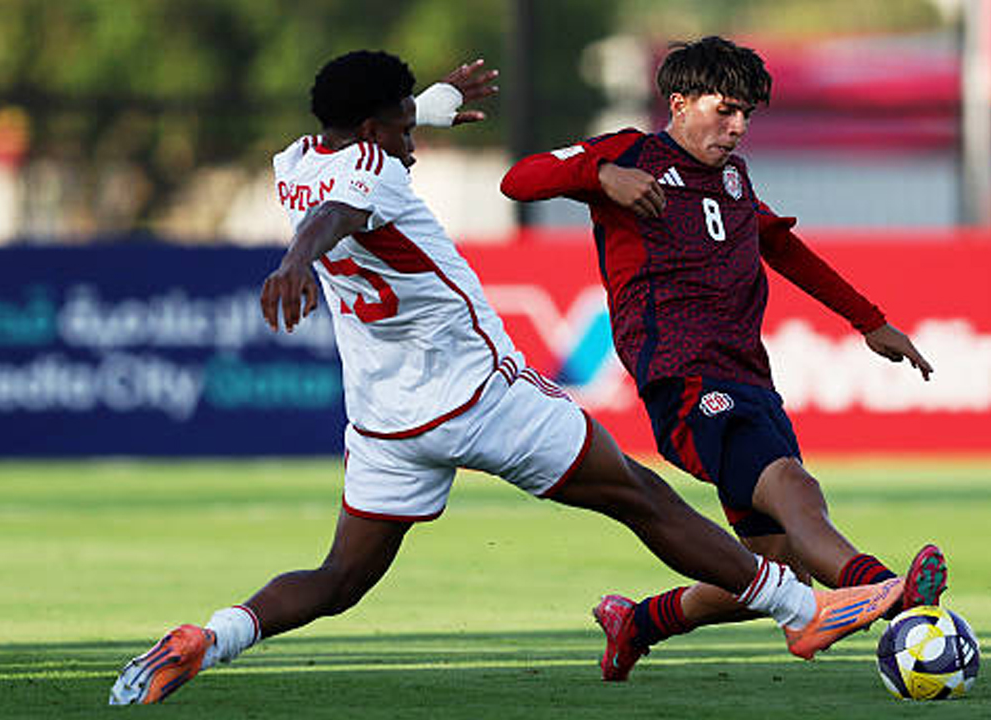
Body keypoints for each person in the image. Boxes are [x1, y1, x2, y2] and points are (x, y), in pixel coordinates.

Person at [108, 49, 903, 706]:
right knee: (640, 496)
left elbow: (342, 173)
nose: (412, 143)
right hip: (479, 395)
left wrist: (433, 100)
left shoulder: (292, 164)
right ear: (372, 132)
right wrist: (293, 263)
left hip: (385, 418)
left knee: (341, 577)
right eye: (401, 126)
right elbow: (341, 214)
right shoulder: (372, 179)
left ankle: (214, 637)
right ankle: (804, 609)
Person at [501, 36, 947, 682]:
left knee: (774, 570)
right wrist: (600, 175)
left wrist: (869, 321)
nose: (737, 128)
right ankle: (887, 590)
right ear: (678, 104)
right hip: (683, 377)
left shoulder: (734, 178)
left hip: (746, 375)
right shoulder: (631, 155)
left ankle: (640, 621)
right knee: (795, 490)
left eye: (747, 116)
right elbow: (518, 178)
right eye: (725, 111)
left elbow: (782, 248)